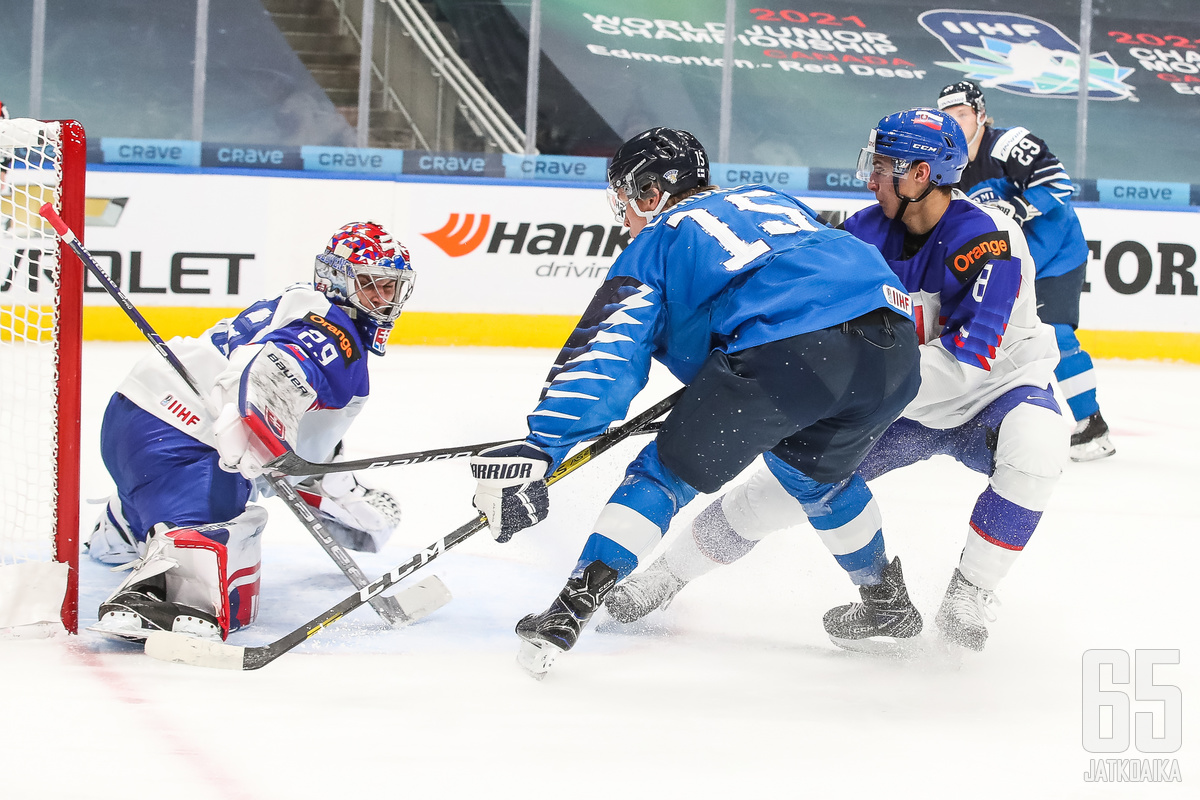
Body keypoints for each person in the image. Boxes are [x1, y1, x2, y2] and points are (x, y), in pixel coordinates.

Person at [605, 109, 1067, 653]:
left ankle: (971, 591)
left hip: (994, 392)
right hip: (896, 399)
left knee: (1037, 445)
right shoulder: (862, 232)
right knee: (774, 494)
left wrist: (830, 396)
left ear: (921, 175)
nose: (870, 179)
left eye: (883, 167)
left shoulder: (991, 237)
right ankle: (666, 577)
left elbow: (973, 355)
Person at [468, 127, 922, 677]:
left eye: (627, 201)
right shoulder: (767, 198)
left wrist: (542, 447)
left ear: (649, 193)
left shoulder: (657, 239)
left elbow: (605, 355)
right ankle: (887, 603)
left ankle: (566, 614)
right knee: (817, 479)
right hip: (893, 349)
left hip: (792, 354)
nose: (627, 218)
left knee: (663, 473)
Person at [90, 221, 414, 641]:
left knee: (196, 481)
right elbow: (275, 365)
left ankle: (127, 524)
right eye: (372, 285)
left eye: (391, 288)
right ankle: (156, 596)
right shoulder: (336, 334)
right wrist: (259, 417)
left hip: (134, 420)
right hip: (188, 444)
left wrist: (343, 497)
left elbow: (309, 458)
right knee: (232, 576)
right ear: (336, 278)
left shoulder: (300, 303)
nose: (382, 299)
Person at [937, 80, 1113, 461]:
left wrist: (1016, 207)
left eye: (963, 114)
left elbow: (1058, 184)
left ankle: (1092, 426)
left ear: (981, 115)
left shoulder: (1008, 144)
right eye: (947, 115)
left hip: (1056, 255)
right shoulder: (945, 166)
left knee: (1056, 334)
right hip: (1008, 265)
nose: (955, 122)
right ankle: (1004, 424)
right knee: (995, 342)